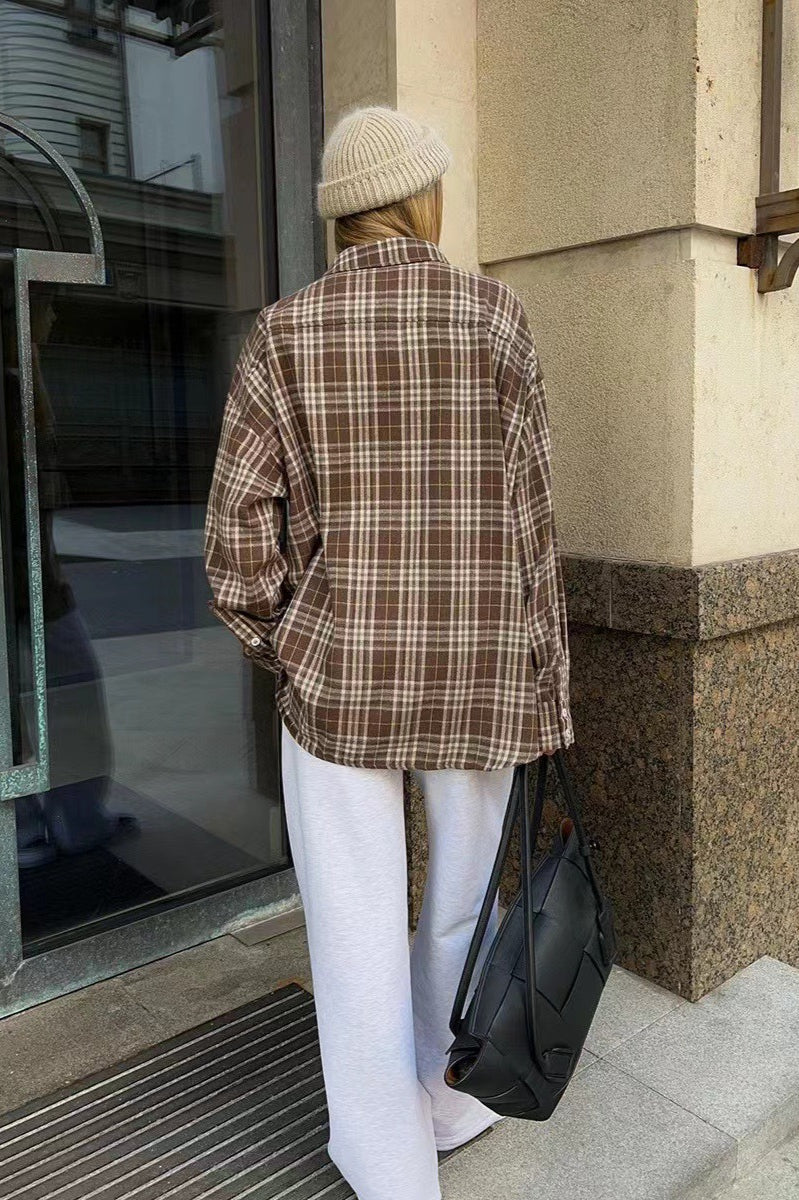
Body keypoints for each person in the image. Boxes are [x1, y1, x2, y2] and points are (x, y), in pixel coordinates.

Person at [204, 104, 574, 1200]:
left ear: (342, 217)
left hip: (339, 685)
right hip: (480, 676)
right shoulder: (495, 319)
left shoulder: (283, 334)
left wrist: (288, 643)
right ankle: (452, 1099)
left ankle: (387, 1164)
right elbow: (531, 527)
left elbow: (235, 544)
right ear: (421, 198)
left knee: (352, 928)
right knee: (462, 903)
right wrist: (547, 687)